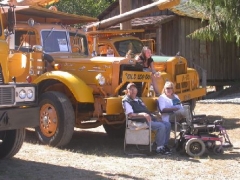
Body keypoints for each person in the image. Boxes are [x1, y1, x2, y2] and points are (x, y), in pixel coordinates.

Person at [122, 82, 172, 155]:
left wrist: (155, 117)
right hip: (140, 121)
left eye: (134, 89)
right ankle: (159, 148)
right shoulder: (126, 101)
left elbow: (146, 110)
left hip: (148, 118)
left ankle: (164, 145)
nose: (133, 91)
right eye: (130, 89)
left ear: (136, 90)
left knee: (167, 124)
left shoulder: (139, 99)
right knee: (161, 126)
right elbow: (130, 115)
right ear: (127, 91)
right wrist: (143, 114)